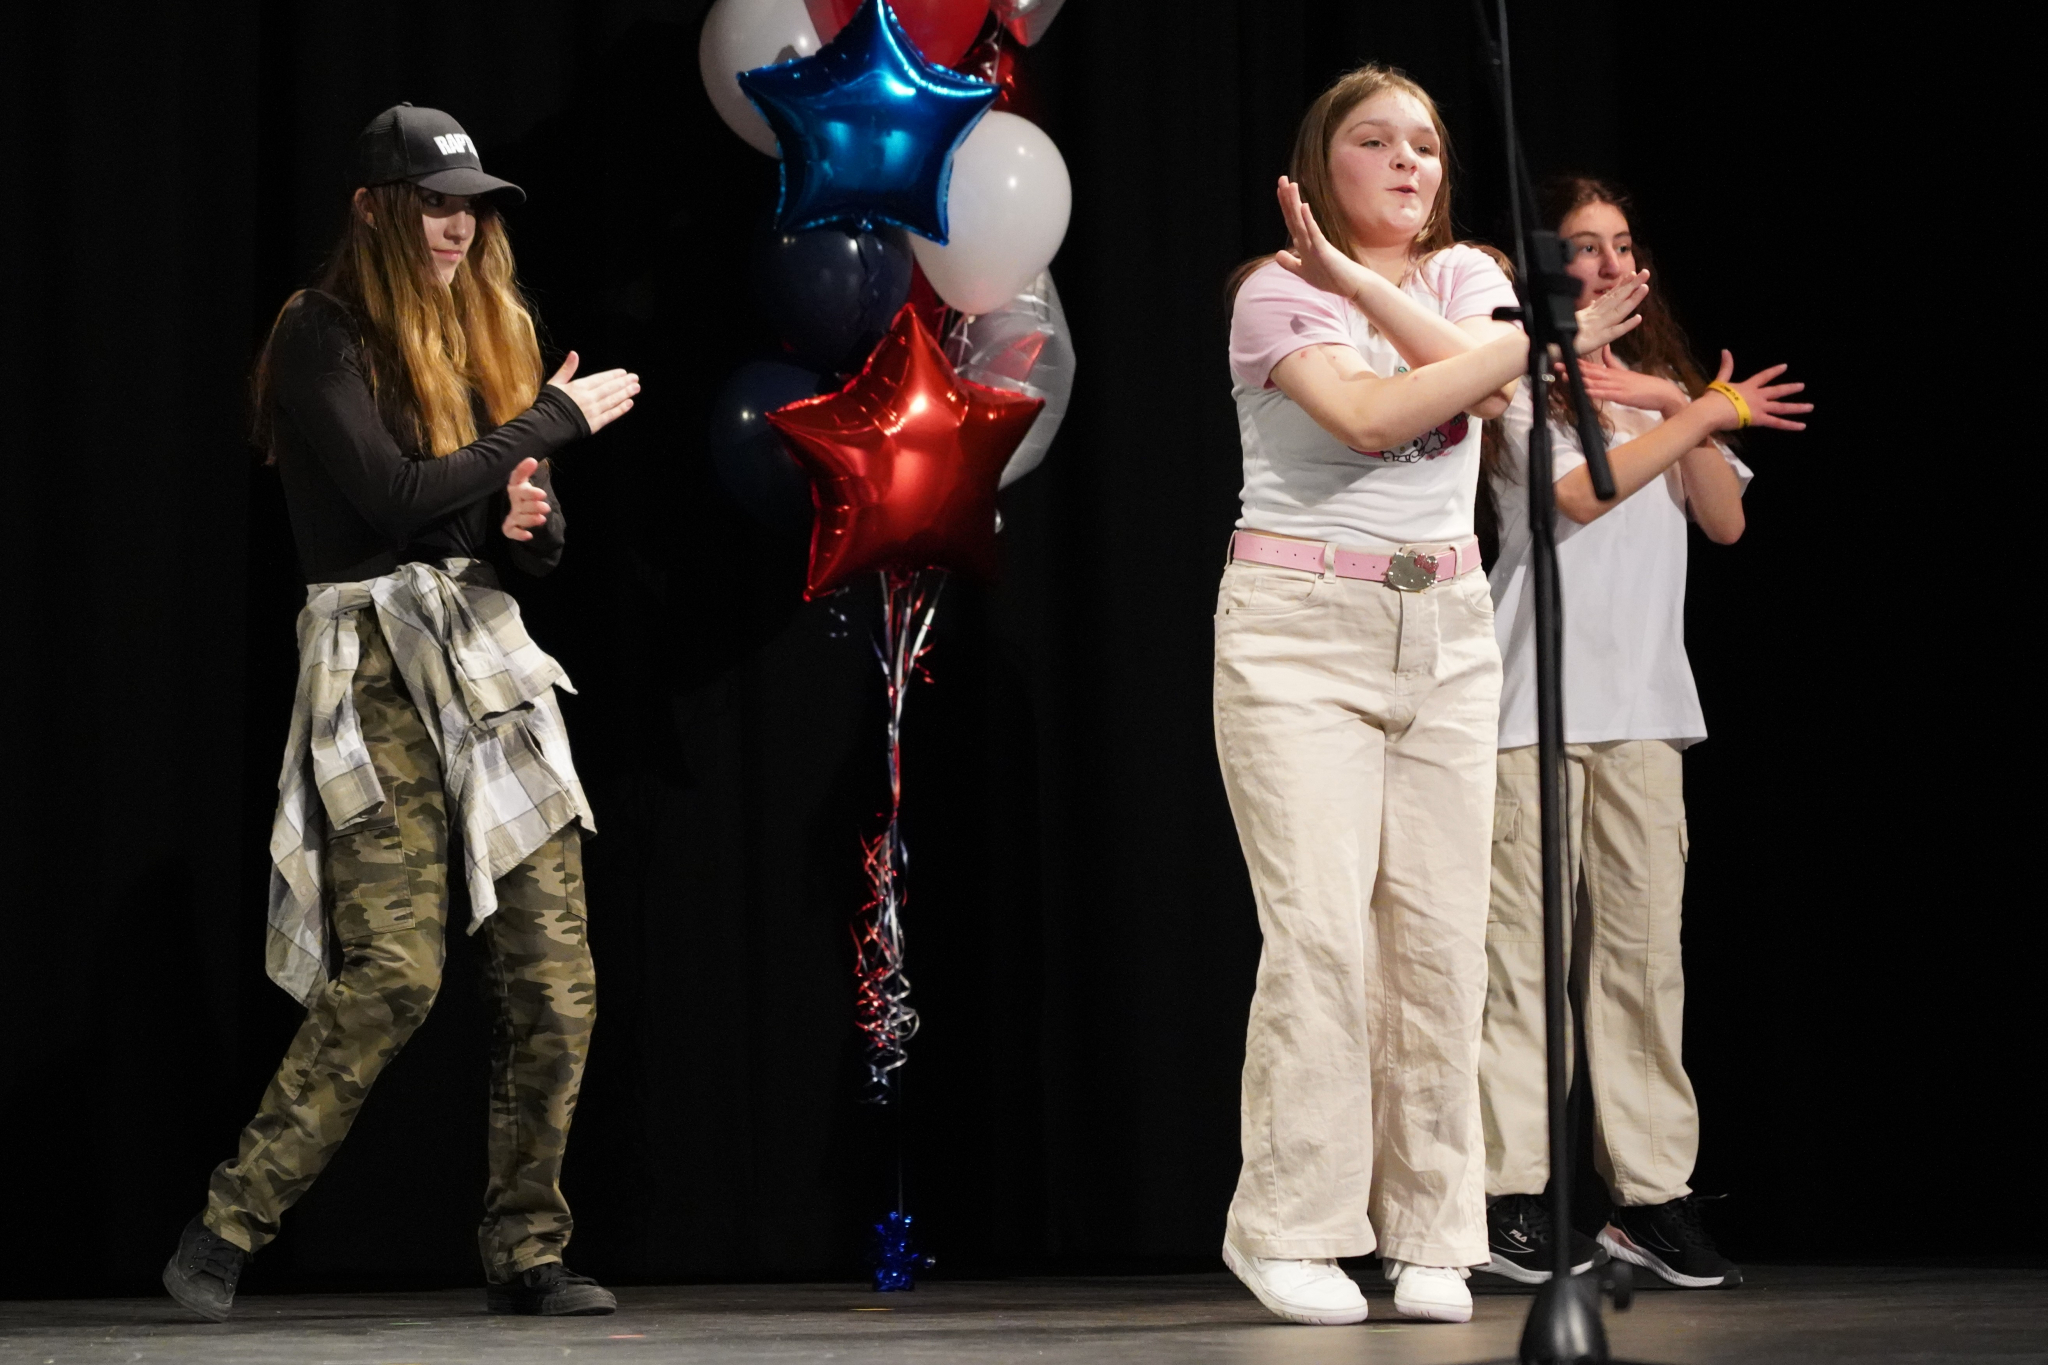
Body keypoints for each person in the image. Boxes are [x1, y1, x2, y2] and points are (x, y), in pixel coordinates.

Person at [161, 104, 641, 1322]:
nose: (457, 227)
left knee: (555, 979)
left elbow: (506, 531)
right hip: (370, 662)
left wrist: (534, 515)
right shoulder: (318, 331)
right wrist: (546, 424)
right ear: (373, 208)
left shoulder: (486, 333)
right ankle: (228, 1223)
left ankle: (527, 1246)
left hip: (481, 654)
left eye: (470, 207)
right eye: (434, 204)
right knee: (392, 974)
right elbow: (387, 499)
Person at [1214, 67, 1647, 1327]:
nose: (1409, 162)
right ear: (1320, 162)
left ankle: (1430, 1233)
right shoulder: (1270, 288)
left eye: (1425, 144)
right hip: (1301, 630)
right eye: (1376, 141)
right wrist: (1375, 296)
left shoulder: (1466, 275)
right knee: (1320, 936)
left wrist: (1421, 310)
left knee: (1441, 940)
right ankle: (1290, 1228)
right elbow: (1368, 414)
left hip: (1447, 629)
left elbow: (1490, 384)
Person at [1476, 176, 1809, 1291]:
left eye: (1622, 244)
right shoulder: (1515, 382)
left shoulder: (1662, 395)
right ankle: (1510, 1198)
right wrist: (1703, 411)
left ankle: (1651, 1202)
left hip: (1647, 717)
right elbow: (1577, 497)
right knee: (1523, 967)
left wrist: (1676, 400)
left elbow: (1724, 520)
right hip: (1530, 712)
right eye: (1585, 246)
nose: (1612, 263)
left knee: (1641, 966)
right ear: (1546, 268)